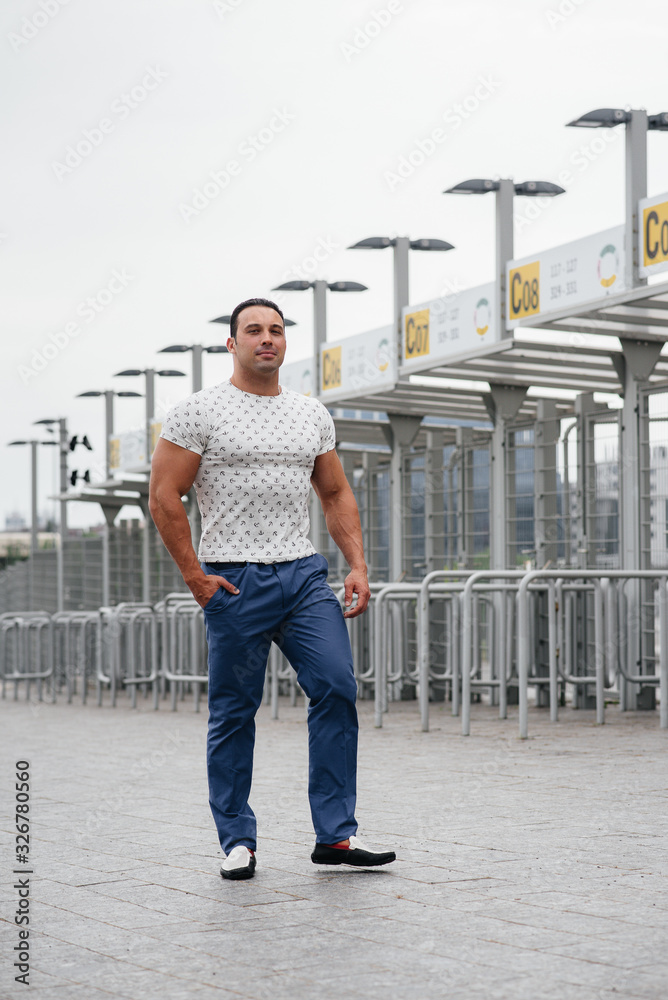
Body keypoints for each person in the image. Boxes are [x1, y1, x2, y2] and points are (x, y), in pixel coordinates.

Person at [149, 297, 396, 880]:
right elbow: (164, 496)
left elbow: (334, 494)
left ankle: (336, 836)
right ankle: (237, 839)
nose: (267, 338)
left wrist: (357, 564)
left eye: (277, 330)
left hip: (303, 575)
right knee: (235, 712)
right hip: (233, 579)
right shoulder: (197, 413)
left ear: (286, 343)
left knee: (336, 687)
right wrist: (195, 576)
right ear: (231, 344)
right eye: (254, 330)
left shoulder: (311, 414)